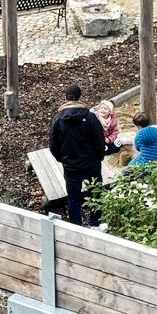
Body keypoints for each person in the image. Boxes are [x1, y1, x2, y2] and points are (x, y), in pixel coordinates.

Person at [48, 85, 108, 227]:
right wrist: (99, 157)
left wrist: (62, 159)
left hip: (71, 167)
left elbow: (53, 144)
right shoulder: (91, 117)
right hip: (91, 164)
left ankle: (75, 226)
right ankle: (95, 224)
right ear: (80, 97)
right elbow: (100, 140)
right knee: (95, 193)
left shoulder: (58, 120)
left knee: (73, 197)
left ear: (66, 98)